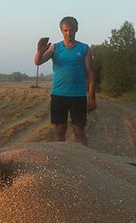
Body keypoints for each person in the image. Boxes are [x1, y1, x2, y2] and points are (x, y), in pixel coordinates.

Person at [34, 16, 96, 145]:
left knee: (79, 130)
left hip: (78, 96)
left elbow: (90, 74)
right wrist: (40, 51)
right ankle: (60, 161)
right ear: (61, 30)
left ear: (76, 30)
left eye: (71, 30)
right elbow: (38, 62)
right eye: (65, 30)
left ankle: (83, 160)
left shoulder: (84, 48)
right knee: (59, 130)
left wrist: (91, 97)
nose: (69, 33)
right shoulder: (54, 48)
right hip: (58, 95)